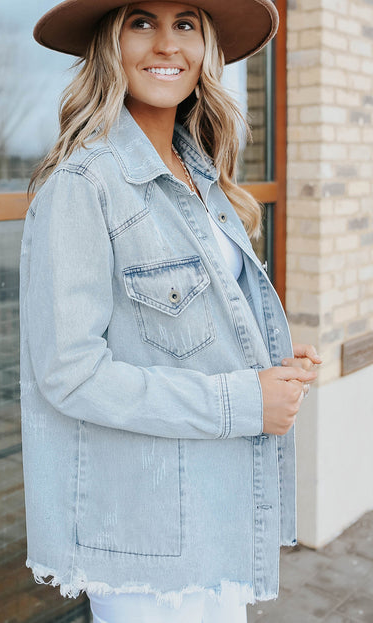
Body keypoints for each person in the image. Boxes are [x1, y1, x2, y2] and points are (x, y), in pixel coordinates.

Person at [19, 0, 321, 621]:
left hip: (217, 509)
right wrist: (243, 401)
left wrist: (270, 370)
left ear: (205, 47)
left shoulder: (201, 176)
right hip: (146, 536)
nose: (166, 44)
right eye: (141, 22)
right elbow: (70, 375)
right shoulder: (84, 185)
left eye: (185, 23)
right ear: (110, 43)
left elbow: (184, 338)